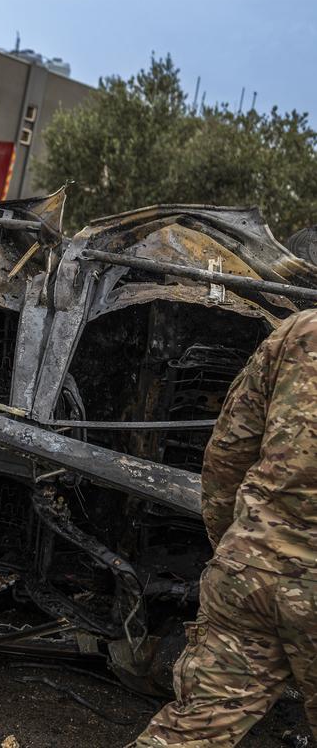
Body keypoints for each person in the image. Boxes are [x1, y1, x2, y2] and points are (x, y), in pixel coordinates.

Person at [132, 310, 317, 747]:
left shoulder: (298, 331)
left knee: (194, 729)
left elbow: (227, 452)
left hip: (252, 570)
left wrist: (236, 546)